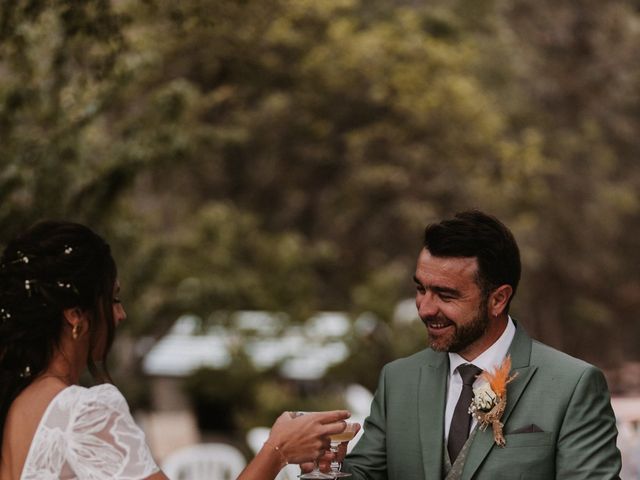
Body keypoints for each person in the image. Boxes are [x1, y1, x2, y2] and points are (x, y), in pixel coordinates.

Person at [0, 220, 349, 480]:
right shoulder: (85, 410)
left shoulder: (19, 405)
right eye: (113, 298)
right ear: (75, 314)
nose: (120, 314)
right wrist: (278, 451)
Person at [341, 210, 622, 479]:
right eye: (421, 289)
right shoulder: (398, 380)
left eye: (445, 295)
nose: (425, 309)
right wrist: (324, 467)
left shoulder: (573, 386)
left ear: (498, 299)